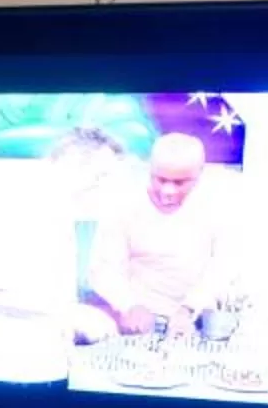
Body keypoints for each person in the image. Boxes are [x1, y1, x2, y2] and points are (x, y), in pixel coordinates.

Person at [83, 132, 238, 340]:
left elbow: (223, 266)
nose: (168, 191)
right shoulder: (123, 204)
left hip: (198, 321)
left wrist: (189, 309)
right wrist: (129, 305)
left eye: (180, 182)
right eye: (161, 180)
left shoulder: (218, 205)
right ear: (150, 170)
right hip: (139, 325)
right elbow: (103, 268)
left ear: (200, 174)